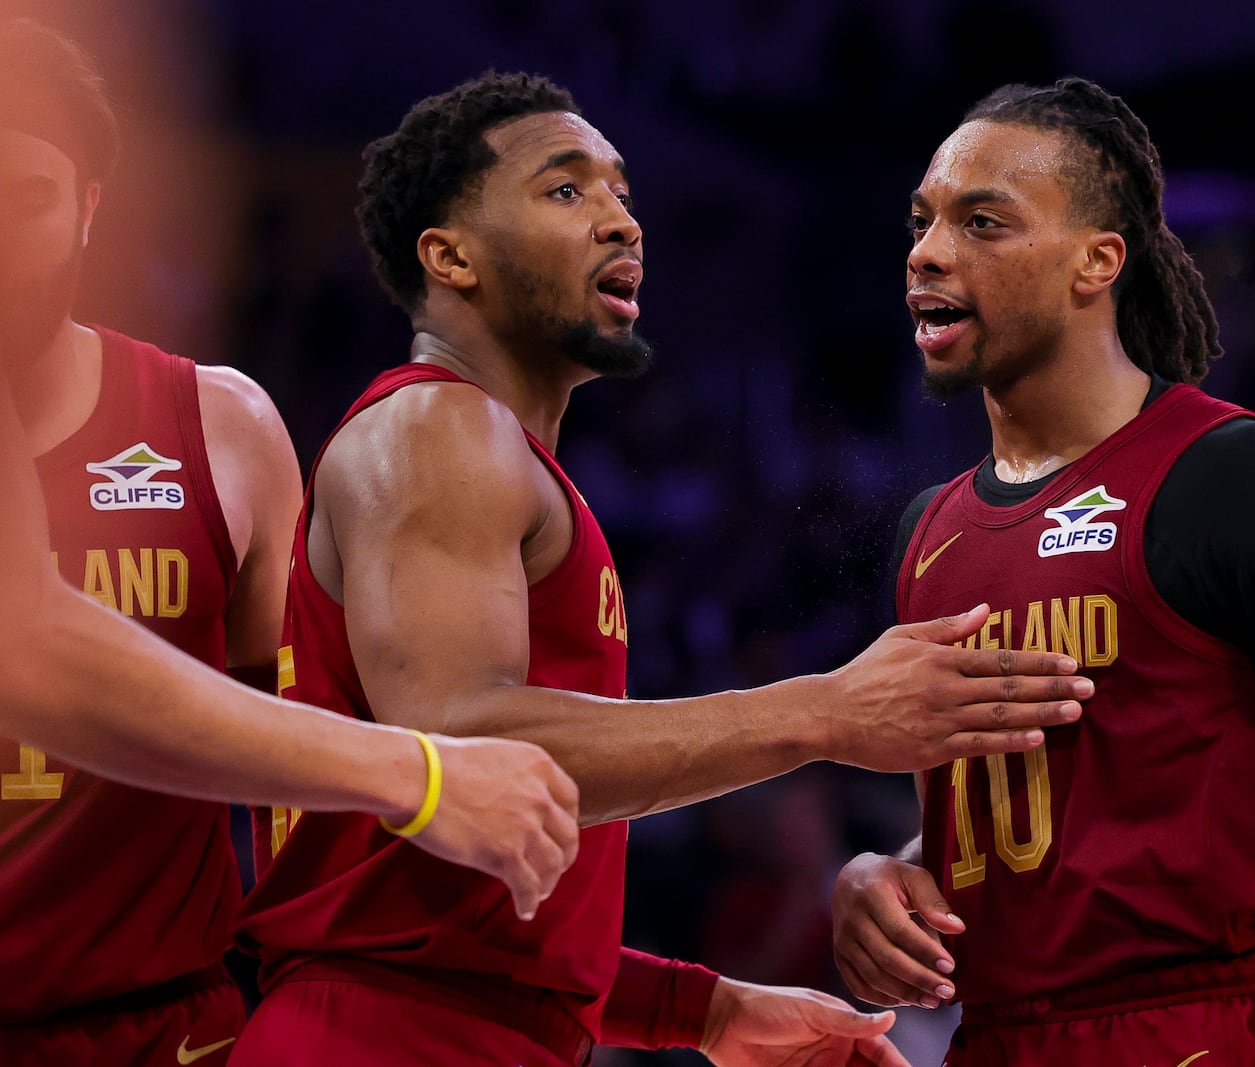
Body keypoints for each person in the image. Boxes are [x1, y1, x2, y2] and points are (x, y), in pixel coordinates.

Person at [229, 70, 1094, 1067]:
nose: (620, 222)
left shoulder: (499, 457)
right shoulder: (438, 427)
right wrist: (825, 711)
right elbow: (457, 751)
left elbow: (460, 923)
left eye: (623, 194)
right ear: (449, 254)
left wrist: (702, 1009)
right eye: (567, 191)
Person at [830, 77, 1255, 1067]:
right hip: (994, 1037)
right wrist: (888, 874)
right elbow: (1032, 834)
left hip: (1205, 1025)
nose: (926, 250)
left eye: (983, 221)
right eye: (922, 222)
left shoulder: (1234, 474)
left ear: (1098, 262)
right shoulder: (932, 532)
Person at [0, 21, 581, 1064]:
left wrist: (686, 1004)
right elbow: (32, 643)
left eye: (26, 197)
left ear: (91, 209)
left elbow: (313, 838)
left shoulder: (216, 427)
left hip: (174, 1028)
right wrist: (424, 773)